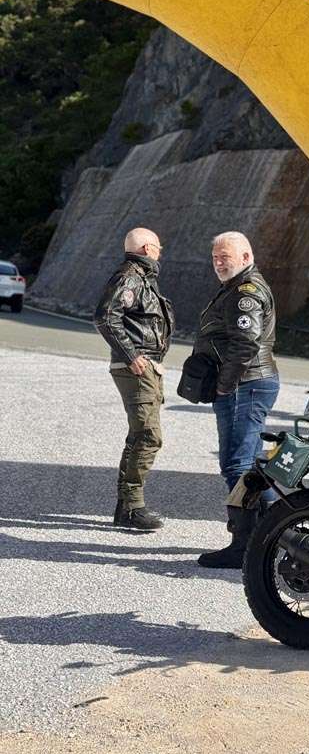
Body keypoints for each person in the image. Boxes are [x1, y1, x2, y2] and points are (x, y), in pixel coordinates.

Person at [192, 231, 280, 568]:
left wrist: (225, 385)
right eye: (215, 257)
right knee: (251, 465)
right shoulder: (235, 286)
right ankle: (276, 536)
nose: (218, 262)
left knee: (237, 464)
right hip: (248, 383)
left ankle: (246, 546)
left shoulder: (246, 292)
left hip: (245, 384)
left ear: (246, 257)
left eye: (225, 257)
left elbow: (246, 342)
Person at [94, 227, 174, 531]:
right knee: (149, 436)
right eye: (158, 247)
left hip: (145, 366)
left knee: (139, 435)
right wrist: (132, 356)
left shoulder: (141, 277)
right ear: (146, 248)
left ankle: (125, 507)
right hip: (137, 367)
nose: (160, 252)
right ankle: (133, 507)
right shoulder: (130, 276)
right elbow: (106, 316)